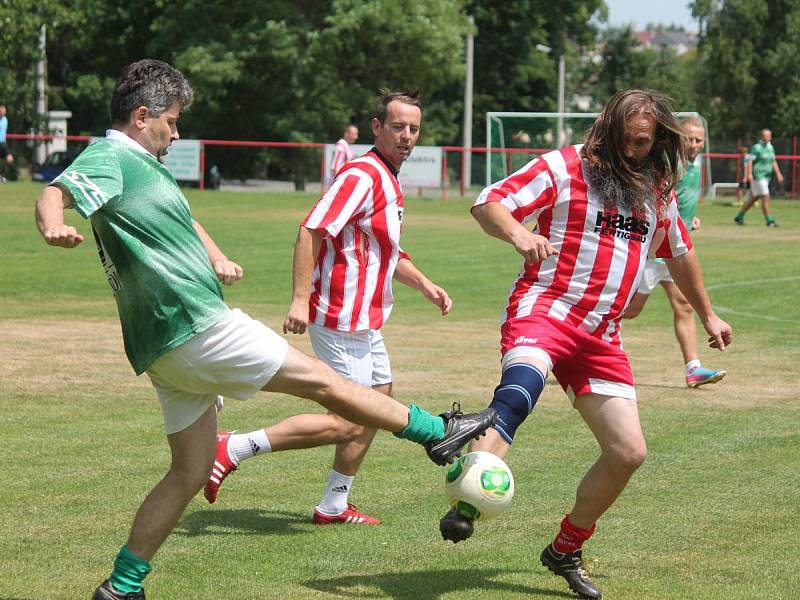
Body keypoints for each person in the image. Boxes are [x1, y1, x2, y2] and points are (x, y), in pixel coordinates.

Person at [33, 60, 494, 600]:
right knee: (326, 382)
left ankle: (121, 586)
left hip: (164, 345)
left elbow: (183, 219)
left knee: (189, 472)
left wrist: (217, 256)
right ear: (141, 116)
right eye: (173, 121)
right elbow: (55, 191)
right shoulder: (112, 155)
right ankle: (439, 433)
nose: (177, 132)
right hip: (197, 324)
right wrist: (53, 225)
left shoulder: (145, 166)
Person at [437, 89, 732, 600]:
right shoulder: (564, 165)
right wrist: (519, 235)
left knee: (628, 452)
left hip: (601, 333)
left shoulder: (656, 189)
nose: (633, 151)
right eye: (625, 140)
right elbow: (489, 202)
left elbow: (679, 252)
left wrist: (707, 312)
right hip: (546, 307)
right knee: (522, 386)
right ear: (607, 130)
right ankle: (466, 501)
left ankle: (566, 547)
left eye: (644, 142)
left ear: (660, 140)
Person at [204, 90, 453, 526]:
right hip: (339, 316)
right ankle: (234, 446)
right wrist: (300, 297)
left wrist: (426, 284)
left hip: (366, 319)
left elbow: (385, 251)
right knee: (350, 420)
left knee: (379, 402)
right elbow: (312, 230)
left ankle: (334, 504)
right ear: (377, 128)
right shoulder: (362, 175)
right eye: (398, 127)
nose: (407, 136)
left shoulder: (389, 178)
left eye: (413, 128)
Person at [624, 116, 726, 388]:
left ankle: (693, 368)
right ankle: (582, 332)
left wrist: (692, 218)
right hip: (655, 251)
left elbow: (683, 200)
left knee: (684, 304)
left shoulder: (696, 163)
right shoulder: (670, 163)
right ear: (680, 138)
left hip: (676, 251)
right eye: (689, 138)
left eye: (698, 140)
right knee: (631, 309)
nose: (694, 144)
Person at [735, 128, 783, 226]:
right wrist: (749, 174)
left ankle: (739, 216)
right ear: (761, 137)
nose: (767, 138)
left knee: (754, 198)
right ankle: (769, 221)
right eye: (765, 136)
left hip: (767, 177)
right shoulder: (756, 148)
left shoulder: (770, 147)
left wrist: (778, 173)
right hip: (758, 176)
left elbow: (773, 161)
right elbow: (749, 160)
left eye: (769, 136)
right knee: (766, 197)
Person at [0, 104, 15, 181]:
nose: (3, 112)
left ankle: (3, 176)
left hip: (3, 143)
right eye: (1, 111)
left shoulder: (5, 119)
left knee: (9, 158)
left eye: (3, 111)